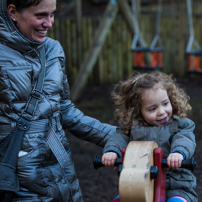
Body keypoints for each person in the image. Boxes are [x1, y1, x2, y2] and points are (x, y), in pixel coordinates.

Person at [0, 0, 116, 201]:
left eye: (52, 14)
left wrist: (119, 136)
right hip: (15, 181)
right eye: (40, 15)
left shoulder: (52, 50)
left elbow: (64, 110)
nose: (49, 23)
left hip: (62, 173)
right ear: (13, 12)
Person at [102, 72, 197, 202]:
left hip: (175, 184)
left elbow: (184, 139)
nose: (162, 112)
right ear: (138, 111)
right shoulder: (132, 127)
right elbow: (119, 138)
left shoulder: (179, 125)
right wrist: (112, 151)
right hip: (138, 184)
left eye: (165, 103)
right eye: (152, 109)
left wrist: (178, 153)